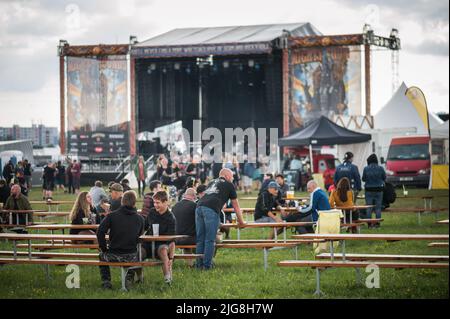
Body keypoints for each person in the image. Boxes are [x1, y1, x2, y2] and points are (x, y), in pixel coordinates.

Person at [195, 168, 245, 270]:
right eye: (232, 176)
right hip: (211, 209)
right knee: (210, 239)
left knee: (200, 239)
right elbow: (236, 205)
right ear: (226, 176)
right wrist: (241, 222)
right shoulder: (229, 184)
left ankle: (199, 265)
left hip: (199, 207)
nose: (232, 178)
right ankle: (207, 266)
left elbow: (211, 196)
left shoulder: (212, 182)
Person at [97, 190, 145, 290]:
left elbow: (100, 232)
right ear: (134, 203)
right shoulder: (140, 219)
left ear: (122, 202)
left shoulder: (111, 216)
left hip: (113, 254)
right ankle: (129, 278)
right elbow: (140, 236)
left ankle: (106, 282)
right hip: (131, 255)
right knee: (137, 255)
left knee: (101, 255)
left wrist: (103, 248)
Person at [143, 191, 176, 284]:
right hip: (149, 243)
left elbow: (172, 240)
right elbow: (144, 227)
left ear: (166, 202)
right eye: (154, 202)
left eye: (158, 203)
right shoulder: (152, 212)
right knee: (139, 251)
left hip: (162, 244)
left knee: (163, 250)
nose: (155, 205)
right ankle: (137, 278)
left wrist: (171, 258)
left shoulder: (171, 218)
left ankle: (168, 279)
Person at [172, 188, 197, 262]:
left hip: (175, 238)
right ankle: (204, 261)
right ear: (194, 196)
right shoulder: (194, 206)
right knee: (208, 240)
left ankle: (190, 264)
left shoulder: (175, 206)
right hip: (189, 239)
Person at [362, 154, 386, 228]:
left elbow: (363, 179)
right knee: (378, 208)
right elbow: (384, 177)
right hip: (379, 190)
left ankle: (369, 224)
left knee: (369, 207)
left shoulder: (366, 168)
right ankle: (377, 224)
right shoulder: (381, 168)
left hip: (368, 190)